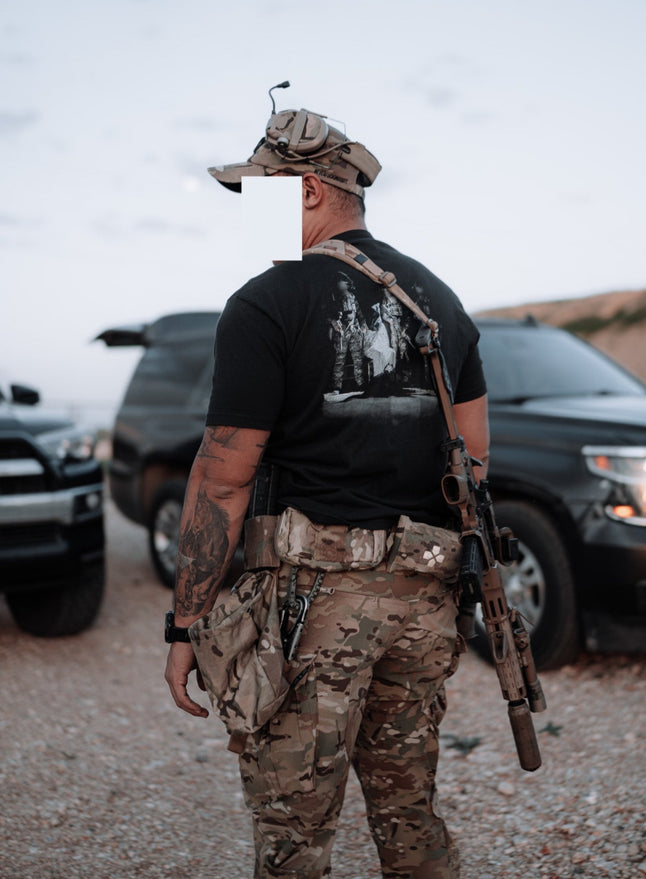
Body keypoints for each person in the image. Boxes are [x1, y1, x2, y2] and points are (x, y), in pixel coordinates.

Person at [164, 102, 490, 879]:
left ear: (309, 189)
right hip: (426, 601)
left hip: (315, 608)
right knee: (409, 809)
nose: (250, 216)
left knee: (294, 832)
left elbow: (223, 478)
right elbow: (474, 463)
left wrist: (186, 622)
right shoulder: (441, 301)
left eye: (260, 193)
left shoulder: (266, 301)